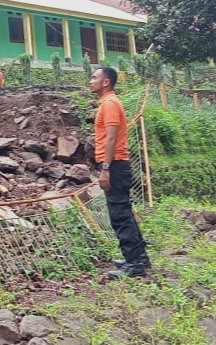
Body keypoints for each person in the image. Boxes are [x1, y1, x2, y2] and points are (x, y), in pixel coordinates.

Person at [90, 66, 150, 278]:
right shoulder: (107, 103)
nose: (91, 81)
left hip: (114, 165)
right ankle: (139, 259)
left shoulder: (110, 104)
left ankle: (135, 265)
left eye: (94, 77)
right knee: (124, 213)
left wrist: (105, 168)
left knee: (120, 216)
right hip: (116, 165)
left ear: (106, 82)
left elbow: (111, 139)